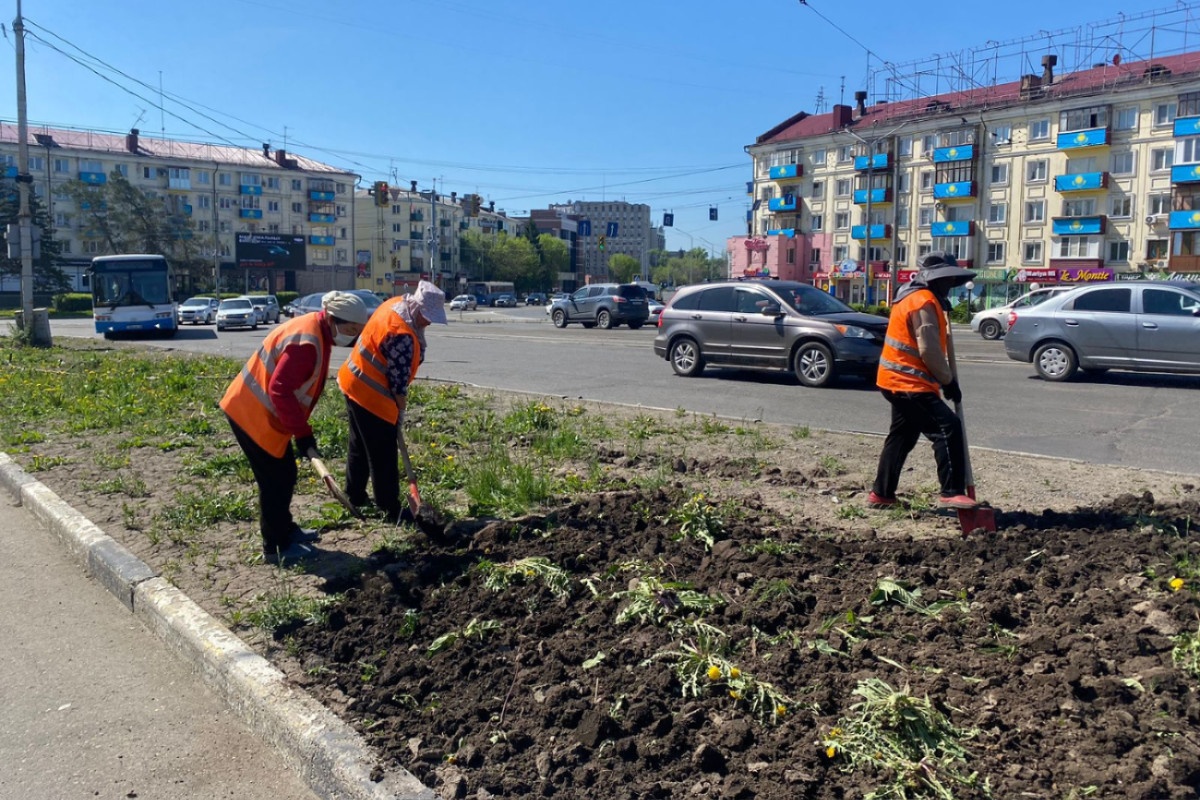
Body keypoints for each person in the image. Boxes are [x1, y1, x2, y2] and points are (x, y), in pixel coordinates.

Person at [220, 291, 370, 562]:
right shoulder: (307, 343)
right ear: (334, 320)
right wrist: (303, 435)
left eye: (357, 330)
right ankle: (275, 546)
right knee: (274, 481)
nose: (353, 336)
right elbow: (279, 391)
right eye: (350, 330)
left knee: (285, 473)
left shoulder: (317, 329)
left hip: (262, 414)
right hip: (251, 414)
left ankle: (286, 529)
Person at [869, 252, 979, 510]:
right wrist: (948, 381)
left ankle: (882, 494)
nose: (951, 284)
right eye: (948, 279)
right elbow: (928, 349)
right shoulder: (923, 302)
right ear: (936, 280)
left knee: (902, 436)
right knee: (947, 428)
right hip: (908, 383)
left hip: (894, 380)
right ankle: (951, 490)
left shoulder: (912, 296)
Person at [337, 280, 447, 521]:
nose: (429, 322)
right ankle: (389, 508)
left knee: (359, 444)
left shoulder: (394, 305)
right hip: (371, 396)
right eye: (428, 317)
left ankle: (354, 494)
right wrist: (400, 408)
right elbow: (397, 383)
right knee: (383, 454)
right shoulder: (403, 336)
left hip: (352, 380)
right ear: (417, 309)